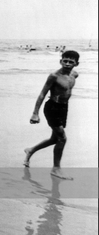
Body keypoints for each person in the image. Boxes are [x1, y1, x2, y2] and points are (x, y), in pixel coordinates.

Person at [23, 51, 80, 179]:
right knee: (62, 139)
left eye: (71, 62)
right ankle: (56, 169)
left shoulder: (75, 75)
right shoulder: (54, 76)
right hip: (52, 108)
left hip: (63, 108)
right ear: (61, 61)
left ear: (76, 64)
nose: (67, 63)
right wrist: (35, 113)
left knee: (55, 139)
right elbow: (42, 93)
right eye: (65, 60)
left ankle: (30, 150)